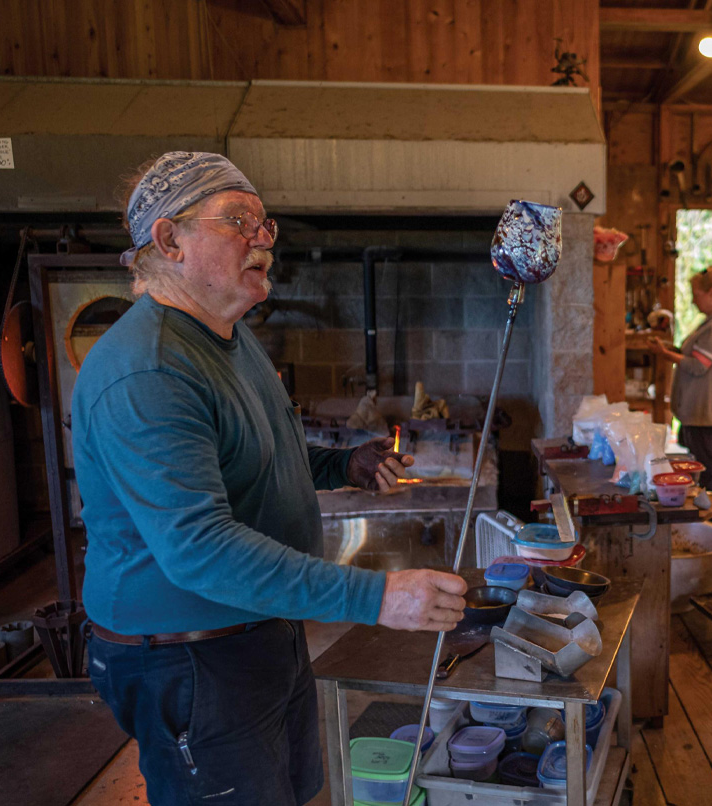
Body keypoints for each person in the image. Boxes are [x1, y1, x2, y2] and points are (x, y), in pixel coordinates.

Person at [73, 152, 468, 806]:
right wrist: (376, 597)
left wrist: (341, 463)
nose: (262, 239)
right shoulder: (148, 371)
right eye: (238, 221)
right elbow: (200, 550)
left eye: (266, 224)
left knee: (292, 789)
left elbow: (257, 452)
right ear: (169, 240)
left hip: (258, 630)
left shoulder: (226, 335)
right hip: (189, 659)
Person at [650, 266, 712, 492]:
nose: (693, 301)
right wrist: (672, 350)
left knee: (708, 470)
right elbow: (697, 357)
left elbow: (699, 366)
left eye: (696, 295)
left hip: (706, 410)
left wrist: (665, 354)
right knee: (703, 464)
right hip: (705, 409)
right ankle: (707, 506)